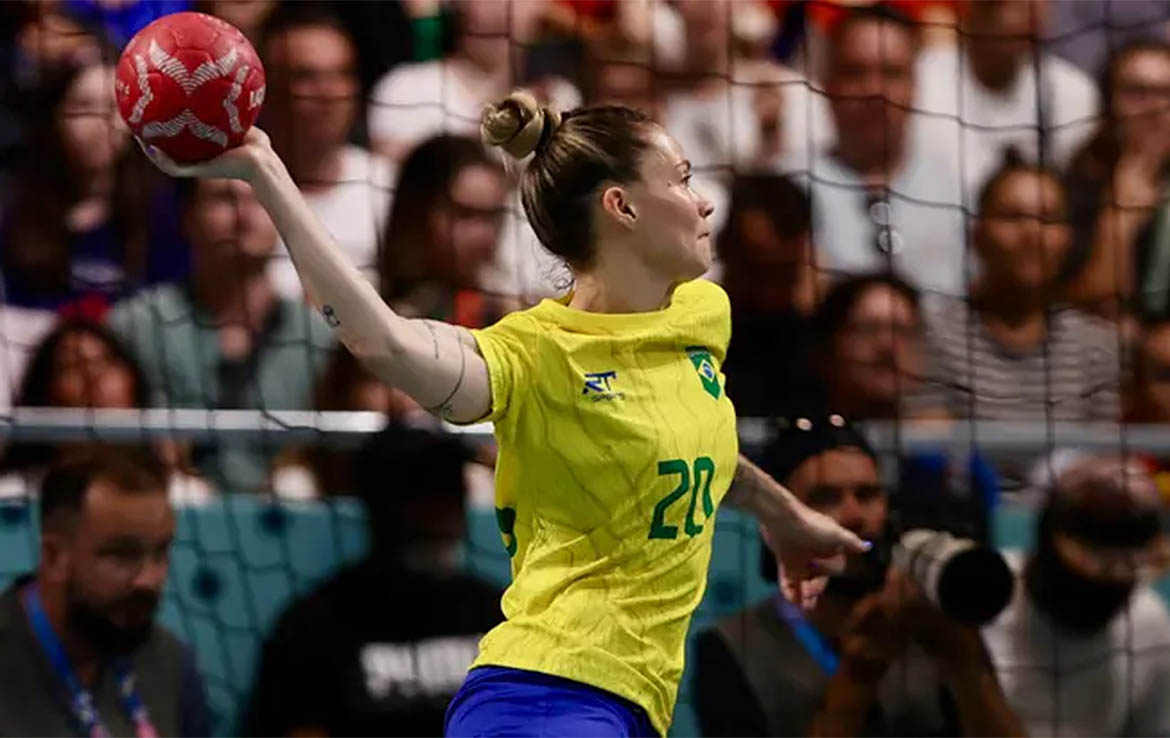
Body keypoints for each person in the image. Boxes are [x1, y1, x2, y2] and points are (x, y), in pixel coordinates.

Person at [138, 86, 867, 737]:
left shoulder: (702, 314)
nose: (704, 201)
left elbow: (696, 449)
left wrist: (782, 516)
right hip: (544, 699)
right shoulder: (533, 355)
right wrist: (265, 171)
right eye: (680, 179)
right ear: (622, 206)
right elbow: (381, 340)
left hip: (631, 704)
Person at [694, 415, 1023, 736]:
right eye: (825, 498)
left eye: (867, 495)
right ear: (777, 525)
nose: (854, 516)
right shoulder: (734, 647)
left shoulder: (930, 619)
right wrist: (857, 675)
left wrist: (962, 660)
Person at [245, 423, 504, 736]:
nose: (439, 512)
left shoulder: (500, 615)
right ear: (378, 504)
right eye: (418, 492)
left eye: (449, 489)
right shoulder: (313, 627)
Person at [108, 177, 334, 495]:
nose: (244, 215)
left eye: (261, 199)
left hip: (290, 515)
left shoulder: (321, 338)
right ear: (188, 217)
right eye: (224, 199)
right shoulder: (136, 326)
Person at [0, 449, 210, 736]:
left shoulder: (169, 664)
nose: (148, 580)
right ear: (53, 557)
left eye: (160, 553)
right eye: (121, 555)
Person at [982, 456, 1170, 736]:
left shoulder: (1147, 619)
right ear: (1051, 545)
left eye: (1126, 568)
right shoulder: (982, 594)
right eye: (1097, 565)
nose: (1110, 587)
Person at [801, 4, 966, 297]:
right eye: (854, 72)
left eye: (891, 73)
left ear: (915, 85)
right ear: (827, 83)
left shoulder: (956, 188)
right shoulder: (794, 187)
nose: (874, 90)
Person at [255, 3, 394, 300]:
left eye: (341, 74)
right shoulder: (238, 194)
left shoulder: (388, 186)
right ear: (267, 90)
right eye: (306, 76)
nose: (329, 92)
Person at [0, 318, 213, 505]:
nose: (93, 375)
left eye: (106, 361)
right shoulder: (11, 497)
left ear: (133, 383)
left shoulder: (185, 497)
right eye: (72, 365)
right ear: (45, 396)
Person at [378, 134, 515, 329]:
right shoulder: (375, 311)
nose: (483, 236)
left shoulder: (505, 313)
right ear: (417, 213)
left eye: (492, 217)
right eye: (464, 215)